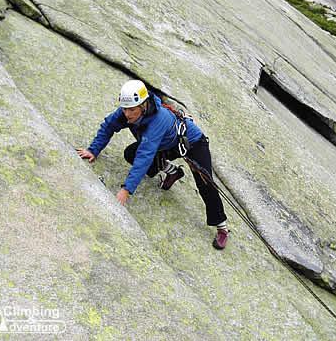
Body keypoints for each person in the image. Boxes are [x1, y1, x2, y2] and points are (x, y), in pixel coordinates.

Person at [76, 80, 229, 249]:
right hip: (165, 144)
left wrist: (126, 190)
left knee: (205, 182)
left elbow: (145, 156)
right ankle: (173, 172)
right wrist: (93, 150)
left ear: (143, 105)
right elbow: (108, 127)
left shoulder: (158, 119)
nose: (127, 114)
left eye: (131, 110)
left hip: (192, 143)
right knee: (130, 154)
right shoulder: (126, 112)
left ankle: (222, 227)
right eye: (125, 108)